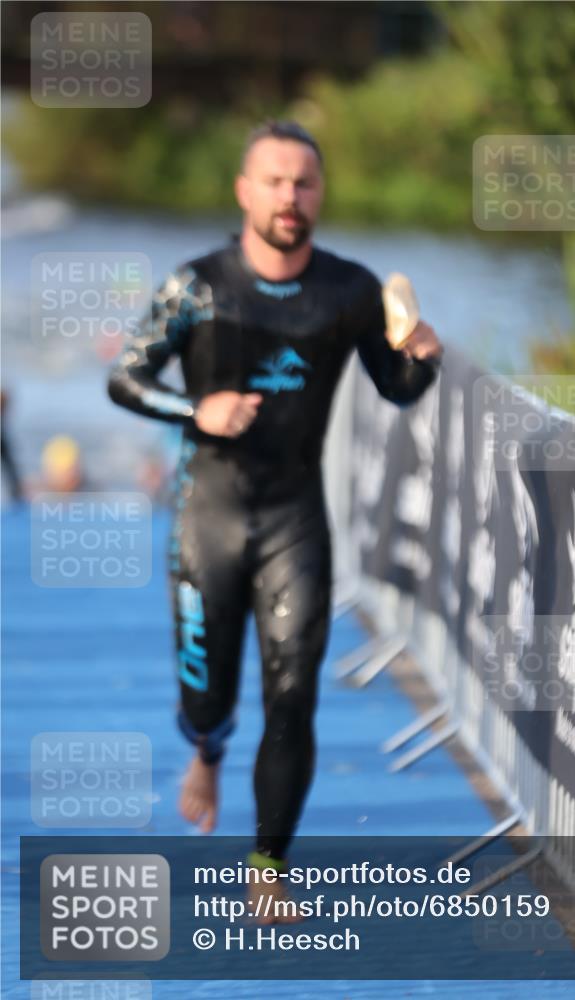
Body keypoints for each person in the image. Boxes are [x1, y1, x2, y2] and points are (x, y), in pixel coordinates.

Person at [108, 120, 442, 918]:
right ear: (244, 191)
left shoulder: (349, 291)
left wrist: (421, 360)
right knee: (206, 700)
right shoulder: (195, 287)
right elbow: (124, 379)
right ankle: (207, 752)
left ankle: (267, 866)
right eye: (275, 181)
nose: (290, 197)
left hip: (295, 519)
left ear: (319, 195)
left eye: (305, 183)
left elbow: (395, 386)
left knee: (292, 695)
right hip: (207, 518)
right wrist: (199, 408)